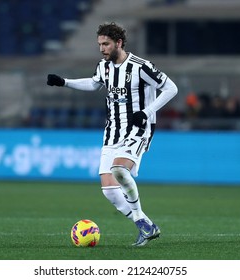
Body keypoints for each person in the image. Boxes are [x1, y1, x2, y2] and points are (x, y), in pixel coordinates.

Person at [46, 22, 178, 246]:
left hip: (138, 129)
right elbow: (94, 83)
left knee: (118, 169)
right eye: (99, 44)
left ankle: (139, 218)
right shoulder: (104, 66)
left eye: (106, 44)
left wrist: (147, 112)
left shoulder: (140, 67)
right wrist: (64, 82)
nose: (102, 48)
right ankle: (146, 225)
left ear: (119, 43)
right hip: (112, 131)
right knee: (109, 190)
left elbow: (171, 88)